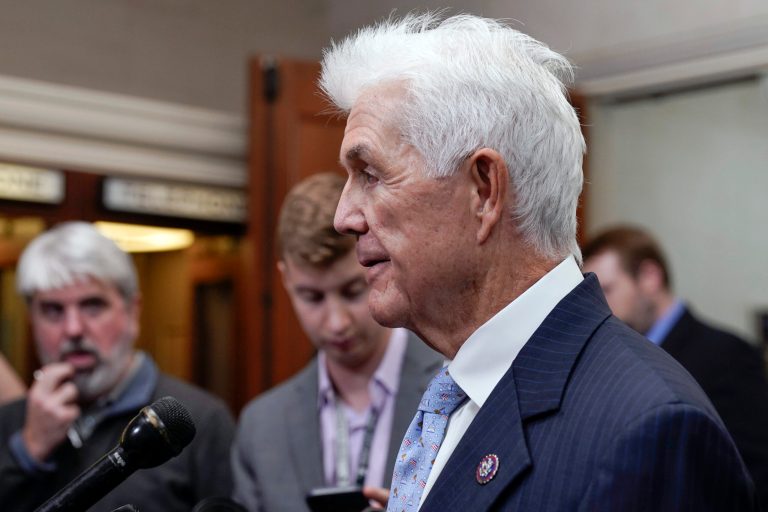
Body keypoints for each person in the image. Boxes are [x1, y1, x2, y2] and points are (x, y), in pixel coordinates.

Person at [320, 12, 757, 511]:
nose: (344, 217)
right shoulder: (457, 394)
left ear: (484, 191)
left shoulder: (648, 430)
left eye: (370, 174)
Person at [231, 173, 442, 512]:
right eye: (312, 297)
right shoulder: (262, 426)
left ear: (379, 262)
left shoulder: (453, 390)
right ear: (285, 279)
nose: (336, 322)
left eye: (353, 291)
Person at [0, 221, 235, 511]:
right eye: (53, 310)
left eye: (93, 305)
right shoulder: (10, 421)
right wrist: (29, 451)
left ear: (133, 311)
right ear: (31, 320)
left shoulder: (198, 420)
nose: (73, 329)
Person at [583, 224, 768, 504]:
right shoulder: (611, 361)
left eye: (607, 289)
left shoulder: (727, 355)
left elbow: (755, 475)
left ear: (650, 277)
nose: (600, 307)